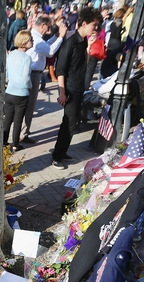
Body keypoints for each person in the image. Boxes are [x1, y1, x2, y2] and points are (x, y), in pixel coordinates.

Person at [51, 7, 102, 169]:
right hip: (70, 90)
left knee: (73, 123)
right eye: (94, 25)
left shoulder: (83, 41)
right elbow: (61, 69)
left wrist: (90, 46)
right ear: (84, 23)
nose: (96, 28)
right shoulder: (70, 43)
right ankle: (56, 156)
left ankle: (63, 151)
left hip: (79, 88)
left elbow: (82, 63)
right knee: (68, 123)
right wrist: (62, 93)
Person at [22, 16, 65, 144]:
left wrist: (56, 37)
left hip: (34, 73)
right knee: (29, 105)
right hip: (33, 73)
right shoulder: (36, 39)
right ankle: (23, 133)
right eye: (49, 27)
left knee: (29, 105)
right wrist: (61, 38)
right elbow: (50, 51)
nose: (49, 29)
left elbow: (46, 45)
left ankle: (24, 131)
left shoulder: (36, 37)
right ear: (43, 26)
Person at [4, 31, 34, 153]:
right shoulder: (27, 58)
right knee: (18, 120)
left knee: (8, 119)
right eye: (30, 39)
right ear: (25, 42)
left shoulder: (10, 55)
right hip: (21, 92)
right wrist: (30, 86)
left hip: (10, 91)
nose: (32, 41)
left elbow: (7, 73)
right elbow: (26, 77)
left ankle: (4, 142)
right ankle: (15, 144)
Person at [101, 7, 126, 79]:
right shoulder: (120, 23)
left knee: (108, 57)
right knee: (115, 58)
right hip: (117, 42)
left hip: (110, 41)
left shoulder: (112, 22)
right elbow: (118, 34)